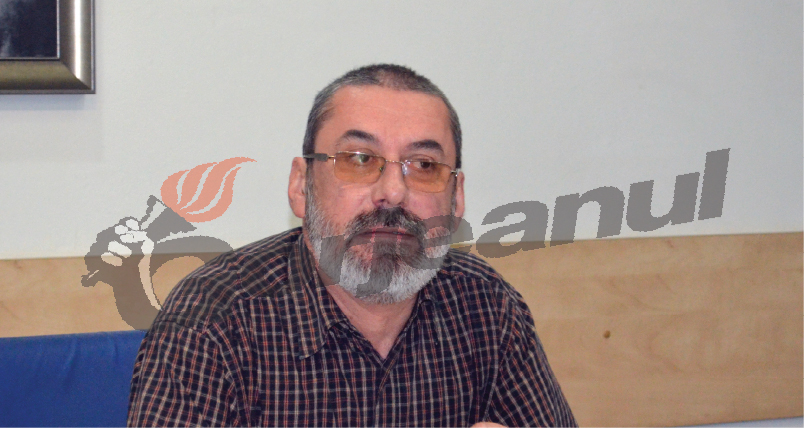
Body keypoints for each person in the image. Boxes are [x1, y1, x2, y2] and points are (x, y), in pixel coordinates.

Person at [128, 64, 576, 427]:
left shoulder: (486, 307)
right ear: (301, 186)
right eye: (359, 159)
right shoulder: (213, 321)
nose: (393, 193)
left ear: (456, 199)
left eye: (423, 165)